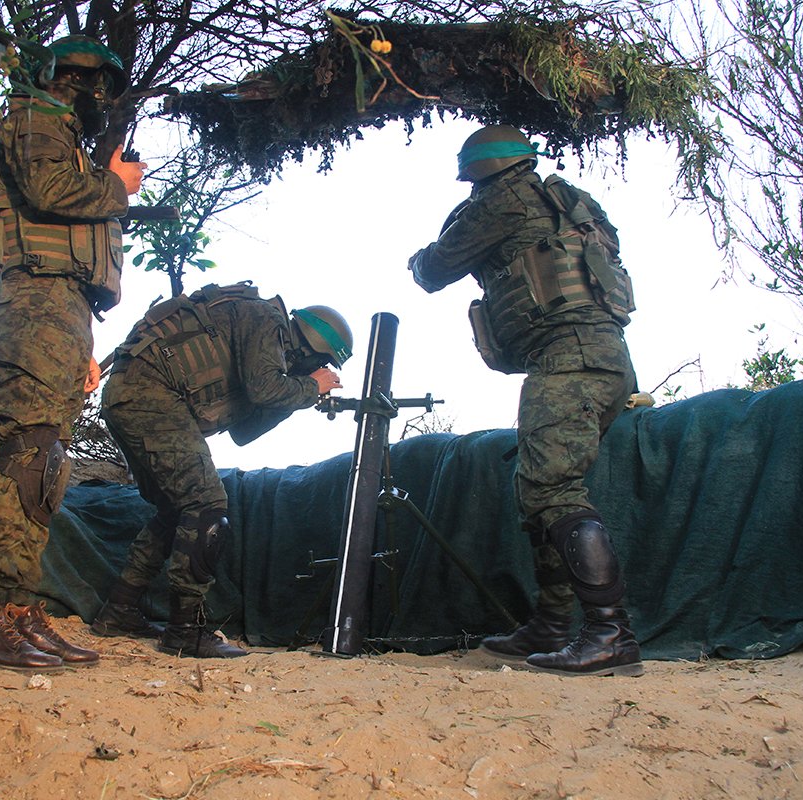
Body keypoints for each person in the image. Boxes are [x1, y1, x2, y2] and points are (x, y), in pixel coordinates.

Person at [407, 125, 643, 677]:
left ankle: (611, 634)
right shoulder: (570, 201)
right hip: (608, 356)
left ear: (477, 173)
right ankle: (552, 624)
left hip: (568, 355)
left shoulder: (499, 202)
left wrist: (417, 255)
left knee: (551, 487)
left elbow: (433, 270)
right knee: (537, 485)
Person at [0, 35, 147, 671]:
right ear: (73, 80)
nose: (100, 101)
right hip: (34, 302)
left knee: (46, 456)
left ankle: (16, 608)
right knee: (30, 449)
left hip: (58, 309)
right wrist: (116, 187)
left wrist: (79, 341)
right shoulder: (35, 120)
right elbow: (47, 192)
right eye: (96, 85)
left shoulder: (56, 128)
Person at [90, 283, 352, 658]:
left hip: (133, 393)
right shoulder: (266, 318)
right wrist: (309, 387)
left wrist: (297, 394)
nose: (319, 370)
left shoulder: (264, 346)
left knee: (176, 508)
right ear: (310, 346)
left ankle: (119, 609)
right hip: (150, 391)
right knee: (207, 503)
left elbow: (244, 432)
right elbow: (264, 390)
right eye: (320, 363)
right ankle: (184, 630)